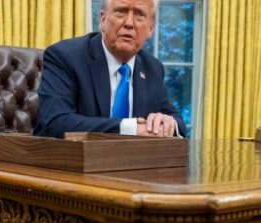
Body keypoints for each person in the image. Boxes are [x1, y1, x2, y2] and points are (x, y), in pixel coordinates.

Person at [34, 0, 187, 138]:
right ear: (103, 20)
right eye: (121, 11)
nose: (129, 23)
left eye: (139, 15)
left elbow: (178, 122)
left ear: (150, 29)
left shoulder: (153, 68)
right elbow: (56, 122)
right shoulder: (65, 56)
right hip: (67, 164)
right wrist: (130, 128)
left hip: (130, 165)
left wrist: (167, 123)